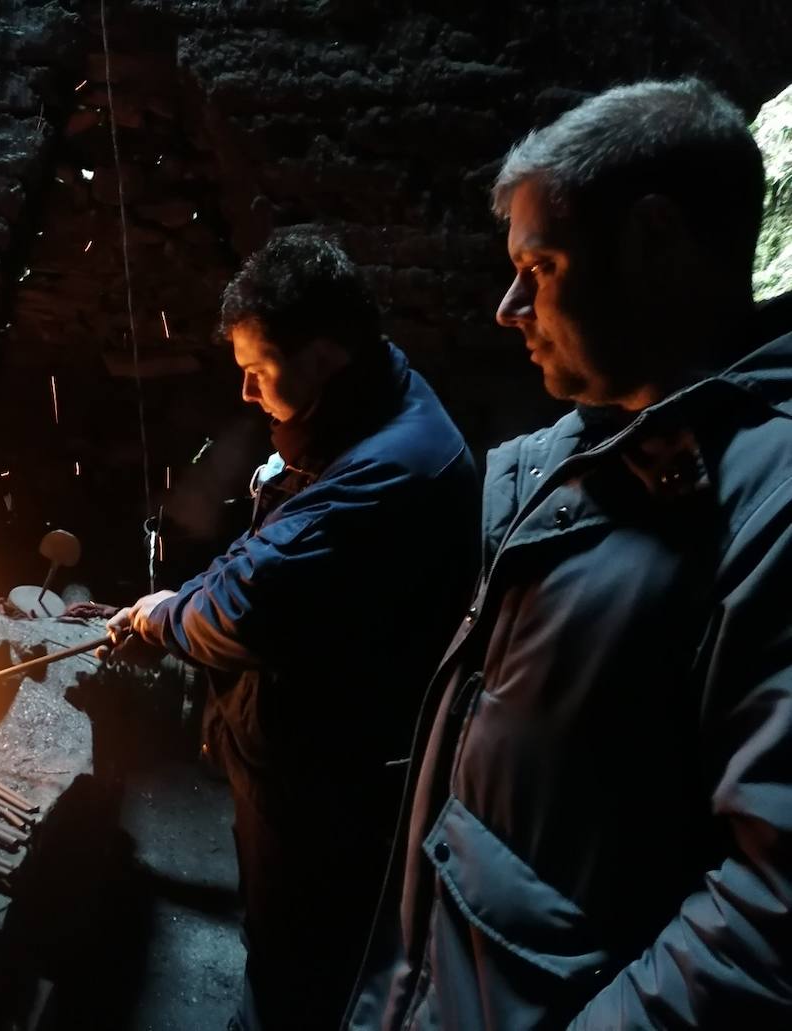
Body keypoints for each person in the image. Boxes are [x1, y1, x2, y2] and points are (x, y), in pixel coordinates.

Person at [346, 78, 792, 1030]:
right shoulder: (578, 463)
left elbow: (769, 924)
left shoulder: (768, 513)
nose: (508, 306)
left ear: (655, 243)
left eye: (540, 267)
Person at [106, 227, 480, 1030]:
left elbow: (250, 602)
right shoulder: (369, 403)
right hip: (311, 756)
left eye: (258, 370)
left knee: (298, 961)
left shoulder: (387, 471)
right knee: (287, 943)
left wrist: (165, 616)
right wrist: (178, 600)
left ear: (321, 356)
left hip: (330, 782)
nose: (246, 392)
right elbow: (268, 554)